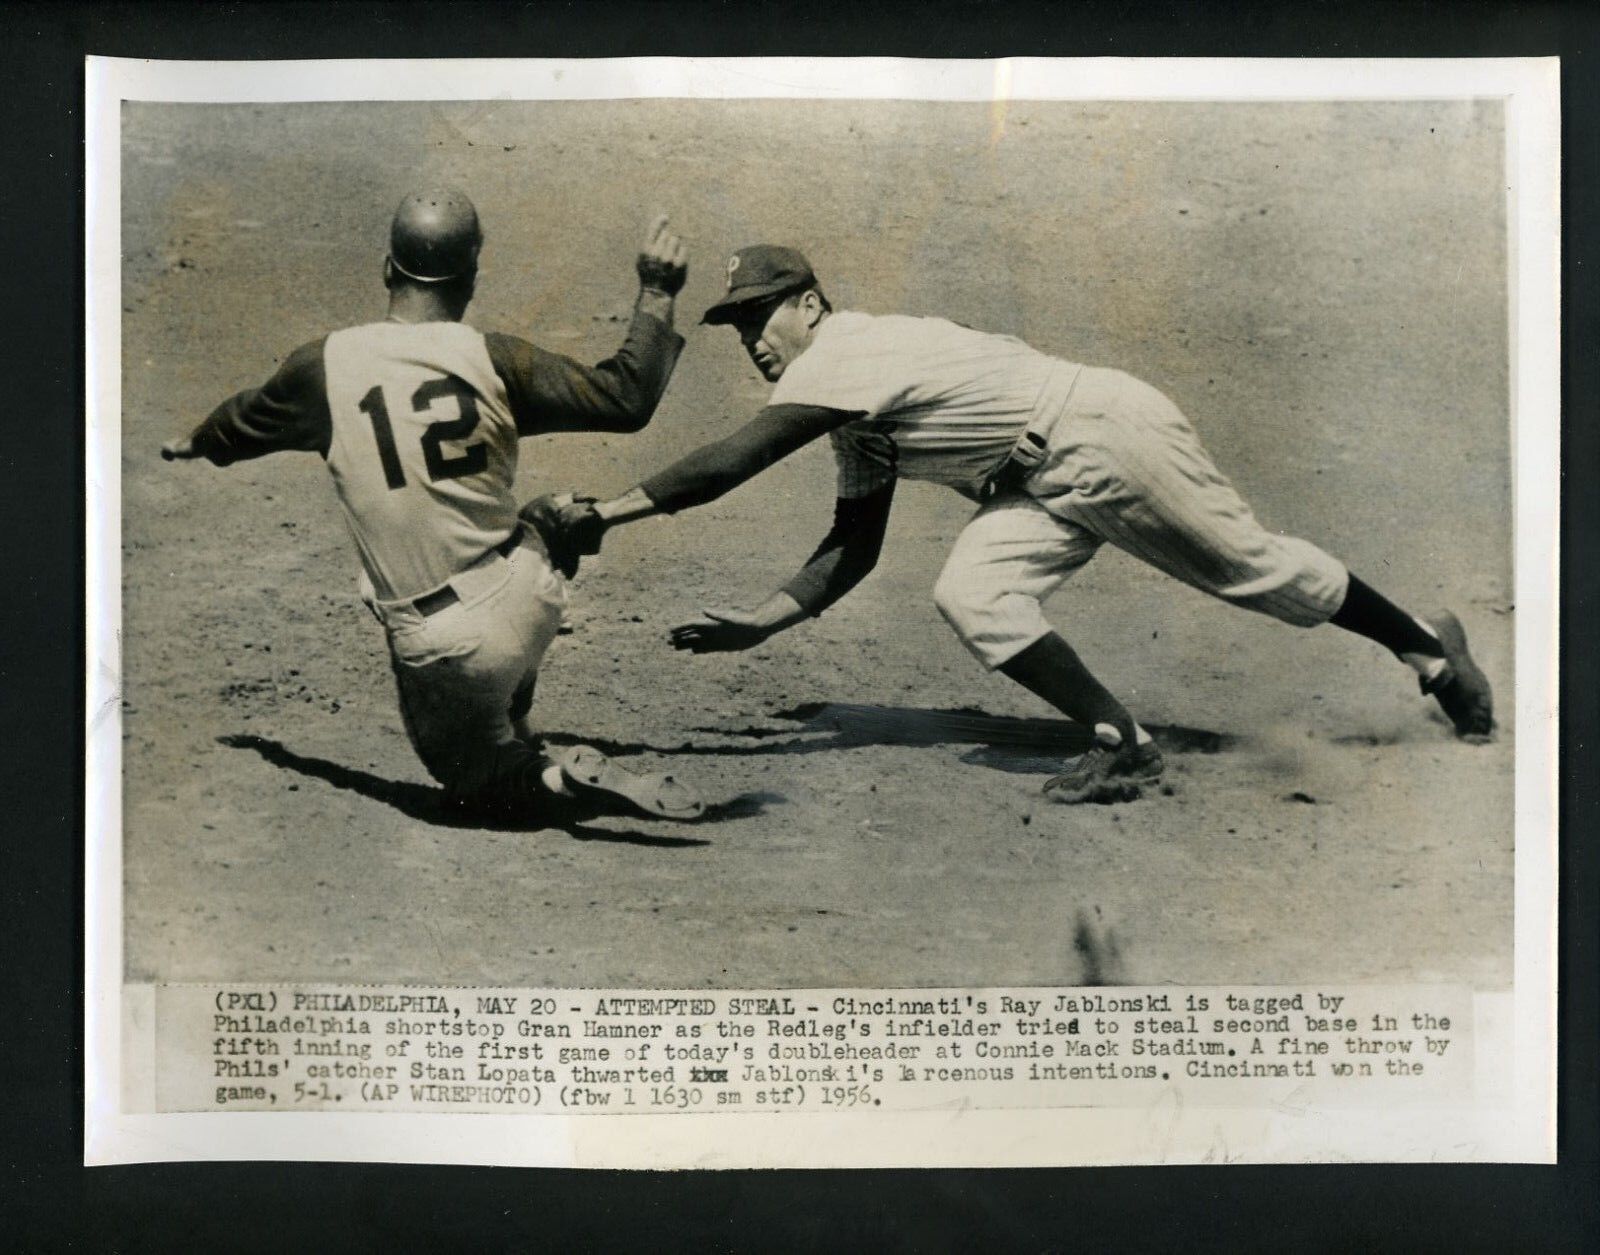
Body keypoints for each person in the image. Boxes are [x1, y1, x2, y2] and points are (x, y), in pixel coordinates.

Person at [545, 243, 1494, 805]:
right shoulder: (851, 404)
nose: (754, 338)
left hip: (1103, 433)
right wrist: (764, 619)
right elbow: (855, 544)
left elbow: (737, 459)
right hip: (1032, 482)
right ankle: (1122, 740)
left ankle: (1430, 653)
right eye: (738, 326)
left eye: (762, 316)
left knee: (1254, 572)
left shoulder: (845, 352)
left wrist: (606, 513)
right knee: (972, 591)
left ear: (811, 306)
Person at [161, 189, 703, 822]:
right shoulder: (496, 359)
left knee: (470, 779)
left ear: (388, 269)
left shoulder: (324, 367)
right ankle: (518, 719)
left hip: (451, 643)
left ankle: (554, 780)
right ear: (470, 278)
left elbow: (237, 424)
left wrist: (195, 443)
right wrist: (658, 290)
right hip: (532, 594)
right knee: (536, 519)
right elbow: (625, 398)